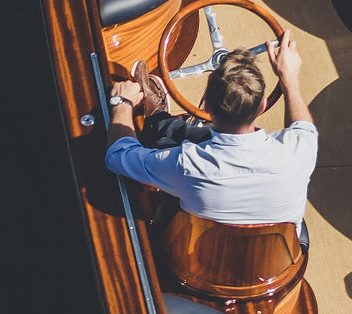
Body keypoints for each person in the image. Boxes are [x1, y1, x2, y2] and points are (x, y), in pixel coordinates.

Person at [103, 26, 314, 225]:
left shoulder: (188, 164)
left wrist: (123, 103)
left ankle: (158, 119)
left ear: (207, 108)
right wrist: (290, 80)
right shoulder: (299, 150)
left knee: (168, 142)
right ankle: (159, 118)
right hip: (278, 260)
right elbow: (302, 127)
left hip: (192, 256)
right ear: (263, 106)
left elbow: (117, 156)